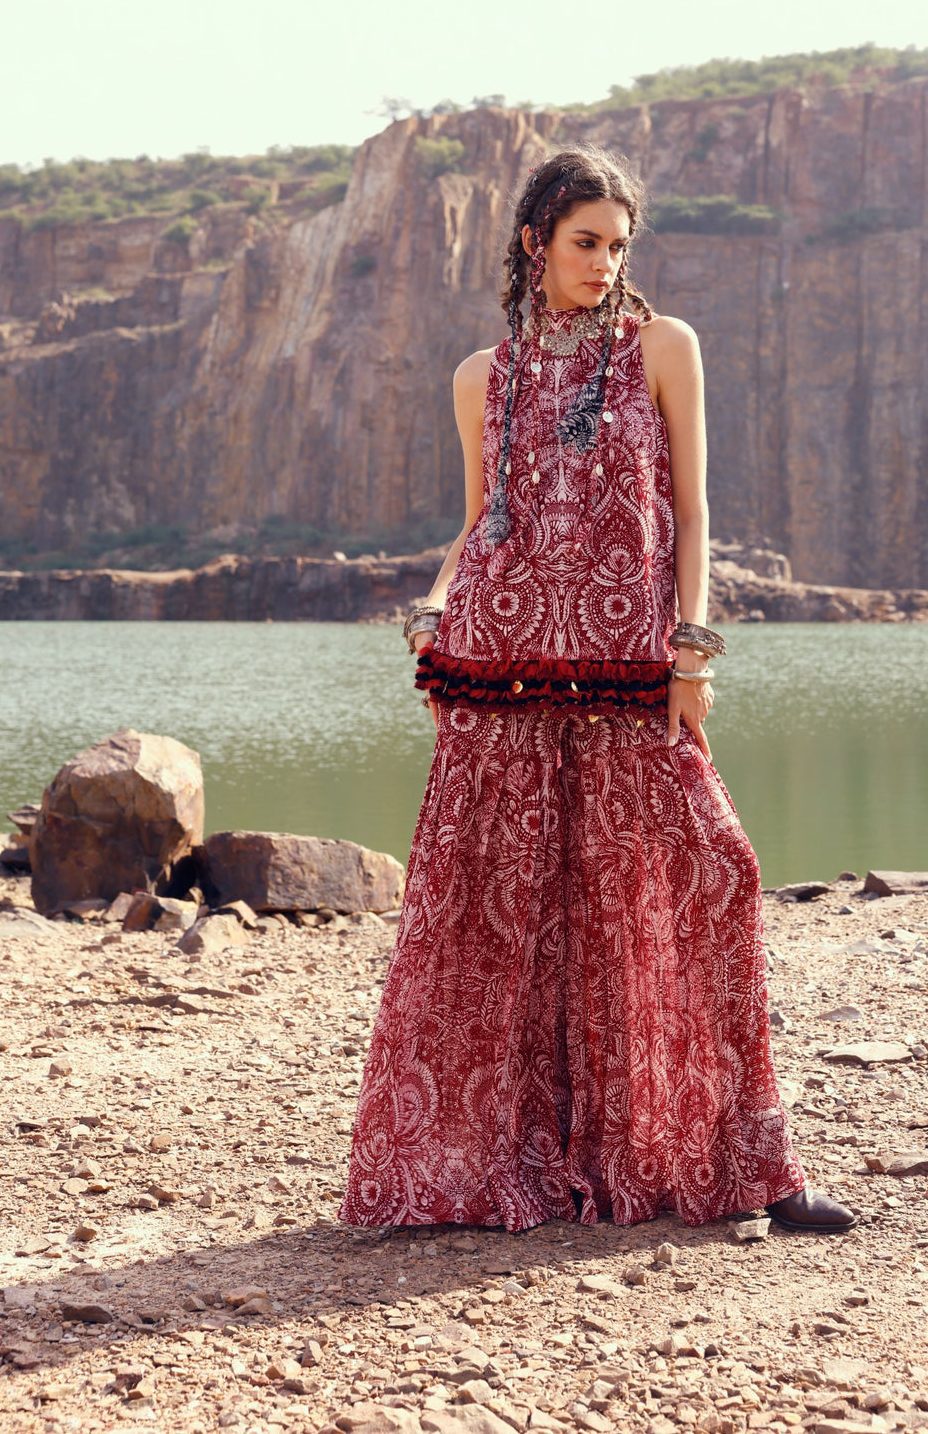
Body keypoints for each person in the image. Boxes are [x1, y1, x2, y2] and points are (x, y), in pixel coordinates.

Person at [340, 145, 854, 1236]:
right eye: (586, 243)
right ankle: (485, 1165)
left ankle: (750, 1170)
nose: (605, 264)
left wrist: (693, 650)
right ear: (535, 241)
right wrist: (432, 608)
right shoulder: (484, 375)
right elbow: (480, 521)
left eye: (619, 245)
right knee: (498, 919)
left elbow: (697, 512)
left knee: (713, 873)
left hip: (634, 671)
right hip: (500, 670)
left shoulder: (663, 348)